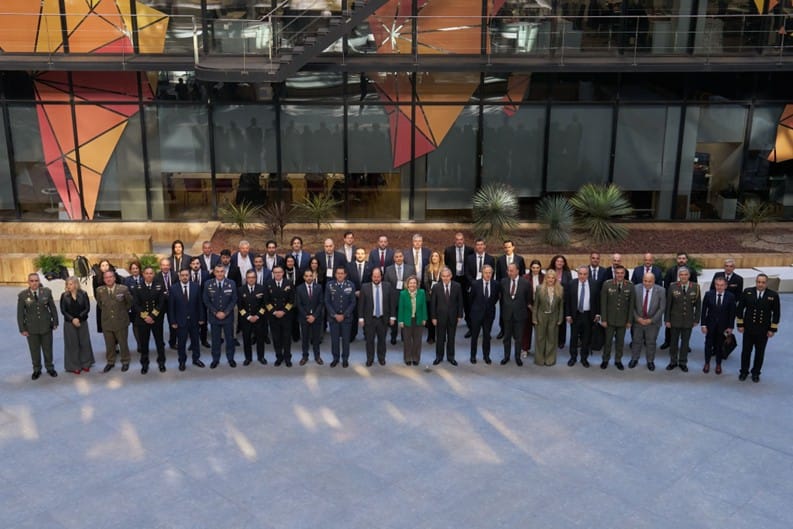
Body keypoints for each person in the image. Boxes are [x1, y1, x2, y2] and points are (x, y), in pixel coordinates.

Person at [736, 274, 780, 382]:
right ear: (756, 282)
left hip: (763, 330)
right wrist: (740, 324)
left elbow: (776, 313)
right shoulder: (748, 292)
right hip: (748, 328)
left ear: (766, 283)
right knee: (746, 351)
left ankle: (756, 373)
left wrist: (772, 329)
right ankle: (744, 371)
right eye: (758, 282)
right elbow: (740, 309)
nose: (760, 284)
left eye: (763, 282)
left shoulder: (773, 295)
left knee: (759, 353)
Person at [18, 273, 59, 379]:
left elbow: (52, 308)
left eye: (36, 280)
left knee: (48, 349)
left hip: (46, 326)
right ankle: (36, 369)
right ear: (28, 282)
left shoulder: (46, 292)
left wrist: (55, 322)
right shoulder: (23, 295)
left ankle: (50, 367)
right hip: (31, 328)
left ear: (39, 281)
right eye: (32, 281)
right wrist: (22, 329)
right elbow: (20, 314)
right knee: (34, 350)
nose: (34, 283)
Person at [95, 269, 133, 373]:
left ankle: (125, 360)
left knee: (123, 343)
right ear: (103, 279)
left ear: (114, 278)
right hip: (107, 321)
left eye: (110, 277)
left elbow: (129, 303)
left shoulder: (123, 289)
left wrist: (121, 311)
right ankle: (110, 361)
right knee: (109, 344)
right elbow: (100, 304)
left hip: (121, 321)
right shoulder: (100, 290)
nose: (108, 279)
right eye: (106, 277)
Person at [664, 267, 701, 372]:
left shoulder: (695, 287)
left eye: (685, 275)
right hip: (674, 319)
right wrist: (667, 320)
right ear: (678, 276)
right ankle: (673, 362)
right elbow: (669, 304)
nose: (683, 277)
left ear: (689, 276)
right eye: (681, 275)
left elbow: (698, 305)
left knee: (685, 343)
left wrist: (696, 319)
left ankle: (683, 362)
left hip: (688, 320)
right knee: (673, 343)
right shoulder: (673, 286)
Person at [132, 266, 168, 374]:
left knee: (159, 342)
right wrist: (146, 317)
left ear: (154, 274)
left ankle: (161, 362)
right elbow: (136, 305)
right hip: (143, 320)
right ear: (143, 275)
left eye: (151, 273)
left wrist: (152, 316)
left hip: (156, 319)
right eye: (146, 273)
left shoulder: (159, 286)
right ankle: (144, 363)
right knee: (144, 343)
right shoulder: (137, 287)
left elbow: (161, 303)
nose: (149, 275)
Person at [358, 267, 396, 366]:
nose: (376, 278)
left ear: (381, 277)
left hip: (383, 319)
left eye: (378, 276)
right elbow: (361, 304)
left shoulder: (388, 286)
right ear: (371, 277)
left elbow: (392, 303)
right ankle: (370, 359)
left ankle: (381, 358)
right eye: (374, 276)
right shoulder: (365, 287)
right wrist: (361, 318)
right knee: (369, 341)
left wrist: (392, 317)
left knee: (382, 340)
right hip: (369, 319)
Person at [660, 252, 698, 349]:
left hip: (686, 300)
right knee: (670, 323)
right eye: (679, 258)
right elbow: (666, 285)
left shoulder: (692, 271)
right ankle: (667, 341)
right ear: (677, 259)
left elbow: (694, 286)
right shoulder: (671, 270)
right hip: (673, 300)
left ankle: (685, 344)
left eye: (683, 258)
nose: (681, 260)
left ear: (686, 260)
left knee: (685, 324)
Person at [599, 265, 634, 370]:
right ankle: (605, 359)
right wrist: (603, 319)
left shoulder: (630, 286)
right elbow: (603, 303)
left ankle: (618, 360)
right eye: (617, 273)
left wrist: (629, 321)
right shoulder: (607, 284)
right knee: (608, 341)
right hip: (609, 320)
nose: (619, 275)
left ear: (624, 274)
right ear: (614, 273)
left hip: (623, 320)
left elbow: (631, 305)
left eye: (621, 273)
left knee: (620, 342)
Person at [169, 268, 204, 371]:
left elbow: (200, 304)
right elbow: (171, 307)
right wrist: (173, 321)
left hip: (194, 320)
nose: (184, 277)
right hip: (180, 321)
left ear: (189, 276)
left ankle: (196, 359)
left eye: (186, 275)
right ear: (179, 276)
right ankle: (182, 361)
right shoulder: (173, 288)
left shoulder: (196, 287)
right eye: (182, 275)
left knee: (195, 341)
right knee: (181, 343)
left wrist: (201, 317)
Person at [203, 264, 238, 369]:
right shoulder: (208, 284)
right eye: (217, 271)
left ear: (224, 272)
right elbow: (206, 300)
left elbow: (234, 299)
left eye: (222, 271)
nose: (219, 273)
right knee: (215, 340)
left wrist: (225, 312)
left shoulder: (231, 283)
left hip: (228, 317)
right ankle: (215, 359)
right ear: (214, 272)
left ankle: (230, 358)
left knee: (230, 339)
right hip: (214, 317)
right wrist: (215, 312)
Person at [629, 272, 665, 371]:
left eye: (650, 281)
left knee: (651, 342)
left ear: (654, 281)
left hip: (653, 322)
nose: (647, 283)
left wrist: (651, 320)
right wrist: (637, 318)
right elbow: (631, 306)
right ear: (642, 280)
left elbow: (662, 308)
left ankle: (650, 361)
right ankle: (634, 359)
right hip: (638, 321)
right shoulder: (635, 288)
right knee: (636, 341)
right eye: (645, 281)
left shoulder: (661, 290)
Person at [565, 265, 600, 368]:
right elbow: (567, 301)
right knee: (574, 337)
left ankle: (584, 358)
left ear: (588, 274)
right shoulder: (572, 284)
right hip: (575, 315)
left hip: (589, 315)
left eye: (585, 274)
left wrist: (598, 313)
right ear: (577, 274)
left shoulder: (594, 284)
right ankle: (573, 357)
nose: (582, 276)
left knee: (586, 338)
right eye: (580, 274)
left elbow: (597, 300)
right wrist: (568, 314)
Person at [701, 277, 736, 375]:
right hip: (710, 325)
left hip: (723, 326)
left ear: (726, 286)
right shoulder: (709, 294)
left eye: (721, 285)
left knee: (720, 345)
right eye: (717, 285)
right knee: (708, 344)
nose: (719, 287)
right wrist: (703, 325)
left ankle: (718, 364)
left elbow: (732, 313)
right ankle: (707, 363)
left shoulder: (730, 296)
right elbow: (704, 311)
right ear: (714, 285)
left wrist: (730, 327)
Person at [430, 267, 464, 366]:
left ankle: (451, 357)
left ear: (451, 276)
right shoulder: (436, 287)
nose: (445, 278)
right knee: (440, 338)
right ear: (441, 277)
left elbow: (460, 301)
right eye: (443, 276)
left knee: (451, 337)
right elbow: (433, 304)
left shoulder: (457, 286)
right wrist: (433, 317)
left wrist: (460, 315)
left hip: (453, 317)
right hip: (440, 317)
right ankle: (439, 357)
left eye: (447, 276)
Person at [60, 276, 94, 374]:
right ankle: (74, 366)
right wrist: (73, 319)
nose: (68, 286)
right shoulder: (64, 296)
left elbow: (87, 308)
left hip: (82, 322)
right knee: (72, 344)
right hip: (69, 323)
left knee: (84, 343)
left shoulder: (83, 294)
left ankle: (86, 363)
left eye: (70, 284)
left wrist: (78, 318)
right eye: (67, 284)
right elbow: (63, 310)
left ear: (76, 284)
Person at [325, 265, 356, 367]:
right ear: (335, 274)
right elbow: (327, 301)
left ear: (345, 275)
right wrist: (334, 315)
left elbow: (353, 302)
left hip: (346, 318)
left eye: (342, 273)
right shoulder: (329, 285)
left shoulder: (351, 285)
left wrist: (344, 315)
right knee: (334, 340)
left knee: (346, 340)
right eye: (338, 273)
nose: (340, 275)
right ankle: (335, 358)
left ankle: (345, 359)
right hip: (333, 318)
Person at [500, 263, 530, 366]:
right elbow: (501, 297)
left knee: (519, 338)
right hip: (507, 314)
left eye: (511, 271)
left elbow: (528, 299)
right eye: (508, 270)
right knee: (507, 337)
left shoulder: (525, 283)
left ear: (517, 271)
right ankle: (506, 356)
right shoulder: (503, 282)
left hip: (520, 315)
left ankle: (517, 357)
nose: (509, 273)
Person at [468, 264, 499, 364]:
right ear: (482, 273)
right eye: (486, 273)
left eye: (490, 273)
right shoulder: (475, 284)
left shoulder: (495, 284)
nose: (488, 275)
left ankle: (486, 356)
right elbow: (470, 299)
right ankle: (473, 356)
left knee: (487, 336)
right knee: (475, 336)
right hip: (476, 314)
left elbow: (496, 298)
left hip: (489, 315)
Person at [265, 265, 295, 367]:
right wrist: (274, 312)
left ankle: (287, 358)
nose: (278, 274)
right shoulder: (268, 284)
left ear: (283, 273)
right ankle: (279, 357)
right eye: (275, 272)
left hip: (286, 316)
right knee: (276, 338)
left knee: (287, 338)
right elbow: (266, 301)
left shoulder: (289, 283)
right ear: (273, 273)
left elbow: (292, 300)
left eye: (279, 272)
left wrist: (284, 311)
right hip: (273, 316)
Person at [533, 269, 564, 366]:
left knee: (552, 338)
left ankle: (550, 359)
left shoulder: (560, 289)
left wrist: (560, 318)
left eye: (553, 278)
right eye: (548, 277)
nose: (550, 280)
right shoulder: (539, 288)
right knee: (540, 338)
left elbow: (561, 306)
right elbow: (536, 305)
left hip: (554, 317)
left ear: (555, 279)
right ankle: (539, 359)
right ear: (545, 278)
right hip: (541, 316)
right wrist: (534, 318)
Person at [444, 232, 474, 330]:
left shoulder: (470, 250)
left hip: (465, 279)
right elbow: (447, 263)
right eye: (457, 239)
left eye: (461, 239)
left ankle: (469, 321)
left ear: (463, 240)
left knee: (467, 301)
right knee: (453, 301)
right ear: (455, 240)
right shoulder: (448, 250)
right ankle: (452, 321)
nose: (459, 241)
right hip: (454, 279)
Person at [238, 270, 268, 366]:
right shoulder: (241, 290)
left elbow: (264, 305)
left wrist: (257, 316)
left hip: (259, 319)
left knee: (260, 339)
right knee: (246, 339)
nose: (251, 279)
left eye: (253, 277)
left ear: (256, 278)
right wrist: (248, 316)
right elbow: (240, 307)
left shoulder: (262, 289)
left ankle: (261, 357)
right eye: (249, 277)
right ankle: (248, 358)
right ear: (246, 279)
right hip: (246, 320)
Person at [385, 250, 415, 345]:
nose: (398, 258)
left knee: (405, 317)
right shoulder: (388, 269)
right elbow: (386, 284)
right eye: (396, 257)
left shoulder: (410, 269)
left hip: (406, 297)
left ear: (403, 257)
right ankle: (393, 336)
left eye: (400, 256)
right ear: (394, 258)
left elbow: (414, 283)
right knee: (393, 317)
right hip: (393, 297)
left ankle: (404, 336)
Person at [296, 269, 324, 365]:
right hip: (304, 318)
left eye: (310, 276)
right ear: (304, 277)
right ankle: (305, 356)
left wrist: (314, 316)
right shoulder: (299, 288)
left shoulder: (319, 287)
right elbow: (299, 304)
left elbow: (321, 303)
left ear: (313, 277)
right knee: (305, 339)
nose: (309, 278)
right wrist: (307, 316)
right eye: (306, 276)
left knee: (316, 339)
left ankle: (317, 356)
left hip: (316, 318)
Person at [398, 276, 427, 366]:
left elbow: (424, 306)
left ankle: (416, 358)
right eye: (410, 283)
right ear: (407, 284)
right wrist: (401, 321)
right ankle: (407, 358)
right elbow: (401, 308)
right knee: (407, 340)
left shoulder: (421, 292)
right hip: (407, 320)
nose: (412, 285)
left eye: (414, 283)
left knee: (417, 340)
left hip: (418, 319)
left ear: (417, 284)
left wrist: (424, 318)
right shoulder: (403, 294)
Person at [347, 247, 372, 342]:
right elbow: (347, 280)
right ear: (355, 255)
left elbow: (371, 281)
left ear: (365, 255)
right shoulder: (349, 266)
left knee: (366, 316)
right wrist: (354, 291)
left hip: (366, 296)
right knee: (353, 316)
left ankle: (367, 334)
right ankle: (352, 335)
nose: (360, 255)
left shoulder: (370, 266)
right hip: (353, 295)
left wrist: (363, 291)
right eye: (358, 253)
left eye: (362, 253)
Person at [548, 255, 573, 349]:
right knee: (552, 321)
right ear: (554, 262)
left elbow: (570, 287)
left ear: (564, 263)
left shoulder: (567, 273)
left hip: (564, 301)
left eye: (561, 261)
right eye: (558, 261)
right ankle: (552, 339)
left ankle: (561, 341)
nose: (559, 263)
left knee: (562, 322)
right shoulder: (550, 272)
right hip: (552, 300)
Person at [92, 259, 122, 335]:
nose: (105, 267)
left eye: (106, 265)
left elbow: (120, 290)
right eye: (103, 265)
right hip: (103, 307)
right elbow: (96, 295)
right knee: (107, 330)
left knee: (117, 328)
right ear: (100, 267)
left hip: (115, 305)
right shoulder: (96, 278)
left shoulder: (115, 276)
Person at [154, 257, 178, 350]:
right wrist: (164, 294)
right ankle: (161, 343)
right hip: (161, 304)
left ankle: (173, 342)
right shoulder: (156, 277)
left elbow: (177, 288)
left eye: (167, 265)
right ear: (160, 266)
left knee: (173, 323)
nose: (165, 267)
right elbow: (156, 291)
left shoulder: (175, 275)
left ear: (170, 266)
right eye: (163, 265)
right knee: (159, 324)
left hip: (172, 303)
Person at [521, 259, 544, 356]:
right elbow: (522, 293)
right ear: (530, 268)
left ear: (540, 268)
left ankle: (539, 350)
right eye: (533, 267)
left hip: (541, 307)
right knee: (526, 329)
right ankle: (525, 349)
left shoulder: (544, 278)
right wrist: (529, 305)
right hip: (528, 306)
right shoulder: (525, 278)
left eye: (537, 268)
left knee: (540, 330)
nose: (535, 269)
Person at [423, 251, 444, 344]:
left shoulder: (444, 268)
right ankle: (431, 336)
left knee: (441, 316)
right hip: (430, 295)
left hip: (441, 295)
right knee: (431, 315)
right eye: (433, 256)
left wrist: (439, 292)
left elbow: (446, 281)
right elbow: (425, 281)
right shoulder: (427, 267)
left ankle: (441, 336)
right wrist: (429, 290)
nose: (434, 257)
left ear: (440, 258)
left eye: (436, 256)